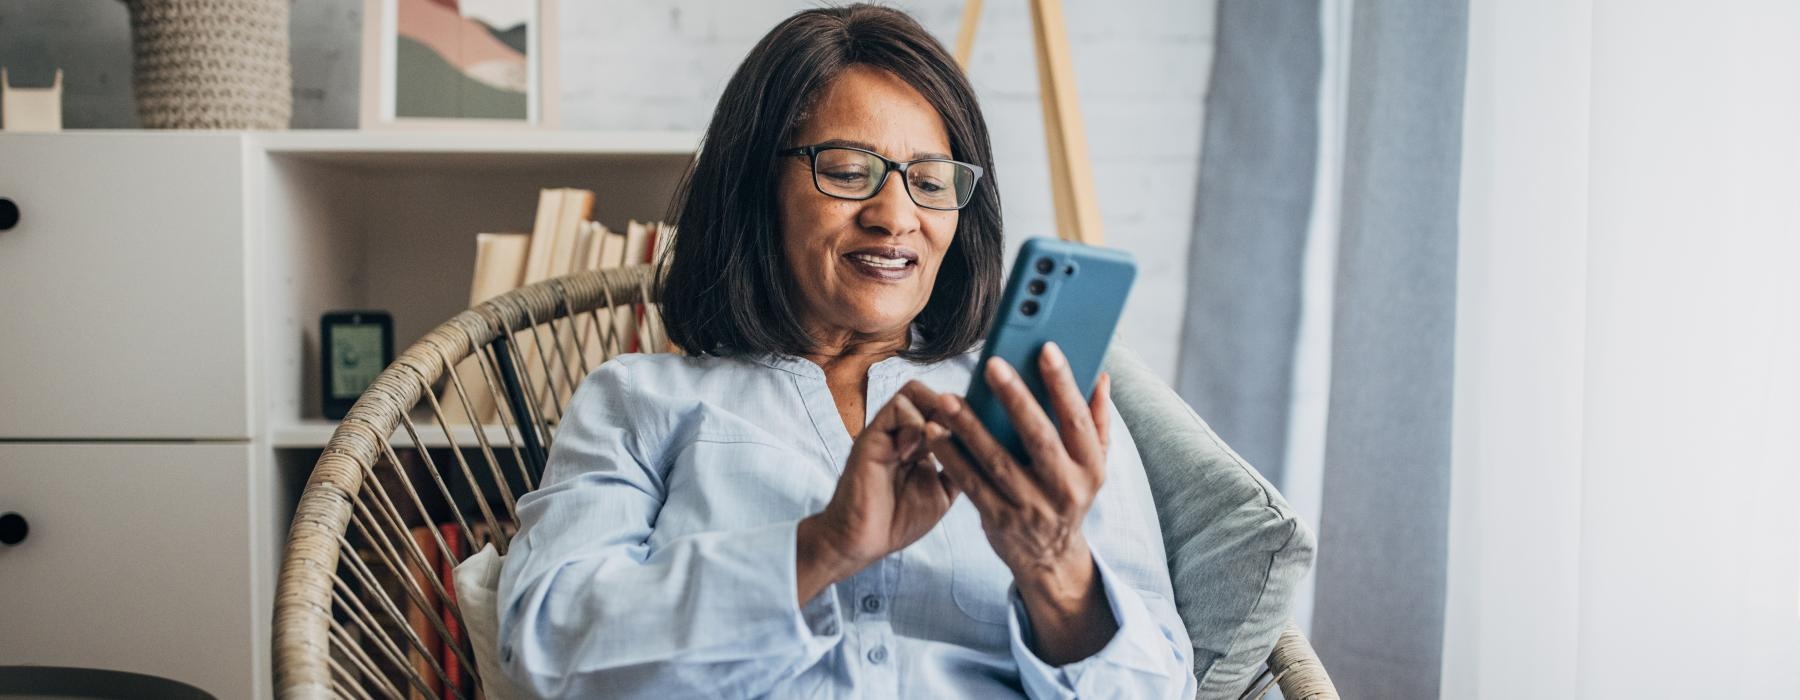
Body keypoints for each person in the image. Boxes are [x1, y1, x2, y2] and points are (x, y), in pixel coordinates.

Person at [497, 5, 1194, 698]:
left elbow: (1163, 689)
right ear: (756, 187)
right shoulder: (640, 400)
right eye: (849, 170)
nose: (895, 217)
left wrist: (1054, 565)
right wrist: (823, 545)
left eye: (929, 181)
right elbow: (547, 645)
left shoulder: (1037, 405)